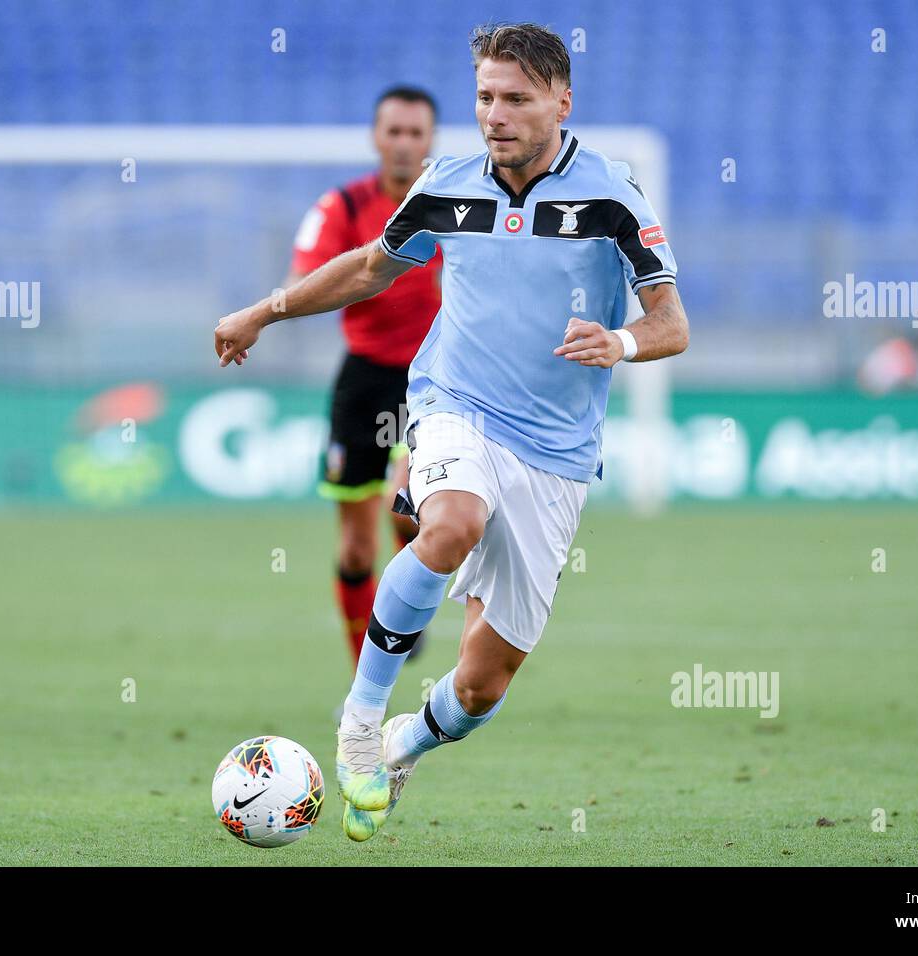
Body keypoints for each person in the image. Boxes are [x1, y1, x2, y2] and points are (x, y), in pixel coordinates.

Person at [215, 22, 689, 842]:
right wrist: (264, 311)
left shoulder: (613, 197)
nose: (495, 115)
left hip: (557, 452)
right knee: (449, 521)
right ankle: (362, 723)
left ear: (561, 101)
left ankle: (409, 741)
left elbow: (672, 323)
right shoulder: (448, 184)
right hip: (454, 404)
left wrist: (616, 343)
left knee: (480, 688)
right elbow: (370, 267)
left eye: (516, 98)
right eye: (484, 97)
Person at [286, 87, 442, 665]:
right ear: (377, 137)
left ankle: (405, 599)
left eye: (415, 133)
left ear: (431, 140)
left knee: (409, 507)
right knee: (355, 549)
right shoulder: (343, 208)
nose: (403, 144)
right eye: (393, 132)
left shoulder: (454, 205)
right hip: (364, 381)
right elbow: (305, 280)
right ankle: (365, 680)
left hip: (431, 380)